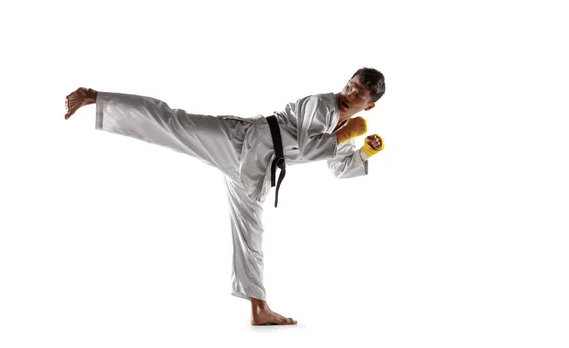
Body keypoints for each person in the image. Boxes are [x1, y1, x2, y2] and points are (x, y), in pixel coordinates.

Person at [64, 67, 386, 325]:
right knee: (172, 121)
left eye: (358, 94)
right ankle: (95, 97)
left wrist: (364, 153)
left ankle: (259, 309)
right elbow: (308, 147)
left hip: (257, 171)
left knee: (251, 236)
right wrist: (347, 133)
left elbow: (339, 169)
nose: (349, 94)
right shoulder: (321, 104)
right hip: (237, 141)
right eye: (349, 86)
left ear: (369, 105)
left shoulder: (347, 127)